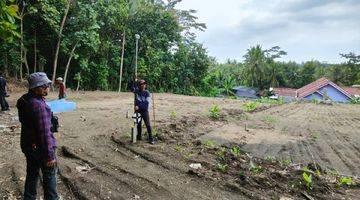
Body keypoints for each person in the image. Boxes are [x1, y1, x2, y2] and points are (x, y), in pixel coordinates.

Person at [17, 72, 59, 200]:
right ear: (35, 88)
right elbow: (45, 135)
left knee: (32, 173)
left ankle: (29, 197)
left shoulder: (24, 99)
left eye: (48, 84)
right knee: (50, 175)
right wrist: (50, 156)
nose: (47, 87)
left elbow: (24, 120)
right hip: (39, 147)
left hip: (28, 145)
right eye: (44, 85)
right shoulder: (39, 106)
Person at [134, 79, 154, 144]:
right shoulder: (137, 91)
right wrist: (135, 81)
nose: (143, 85)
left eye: (144, 84)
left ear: (145, 85)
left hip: (145, 111)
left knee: (148, 124)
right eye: (141, 84)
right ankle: (139, 136)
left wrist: (138, 106)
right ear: (139, 85)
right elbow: (131, 88)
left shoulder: (147, 93)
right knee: (138, 124)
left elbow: (146, 104)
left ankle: (151, 138)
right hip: (138, 111)